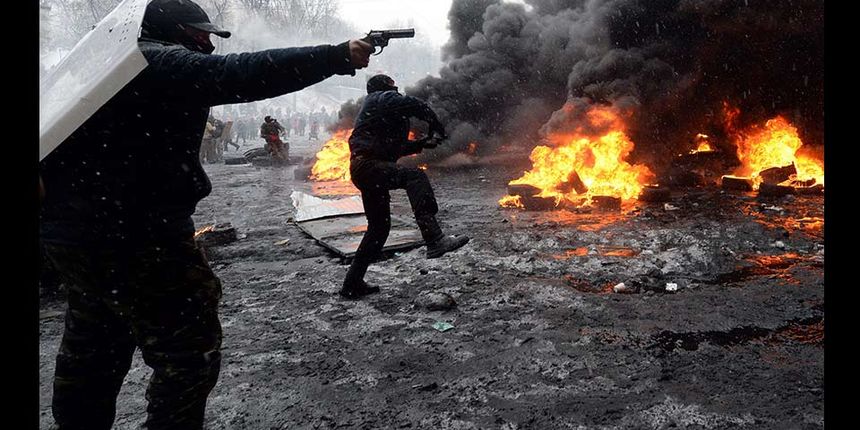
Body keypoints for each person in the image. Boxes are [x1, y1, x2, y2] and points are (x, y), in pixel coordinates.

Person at [38, 0, 373, 428]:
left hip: (76, 237)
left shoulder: (92, 72)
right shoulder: (154, 61)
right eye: (201, 35)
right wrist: (335, 55)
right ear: (178, 32)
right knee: (187, 353)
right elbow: (242, 73)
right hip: (138, 236)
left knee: (94, 343)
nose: (206, 44)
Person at [340, 74, 470, 299]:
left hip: (365, 169)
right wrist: (434, 121)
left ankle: (352, 283)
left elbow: (391, 148)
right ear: (383, 88)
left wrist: (420, 145)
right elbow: (414, 104)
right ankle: (434, 239)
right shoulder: (380, 98)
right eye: (393, 88)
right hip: (370, 167)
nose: (396, 91)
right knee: (415, 177)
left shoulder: (376, 113)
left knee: (379, 229)